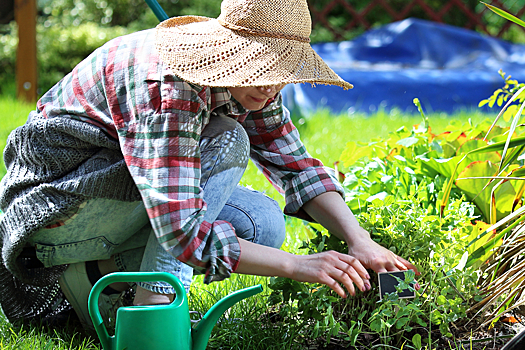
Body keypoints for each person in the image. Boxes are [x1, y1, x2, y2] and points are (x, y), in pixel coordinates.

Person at [0, 0, 419, 330]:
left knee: (262, 223)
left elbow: (297, 167)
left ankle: (98, 278)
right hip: (54, 208)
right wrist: (299, 265)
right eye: (261, 66)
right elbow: (182, 229)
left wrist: (359, 239)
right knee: (229, 139)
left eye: (282, 70)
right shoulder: (171, 86)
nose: (271, 84)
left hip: (114, 193)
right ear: (231, 52)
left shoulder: (250, 86)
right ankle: (154, 305)